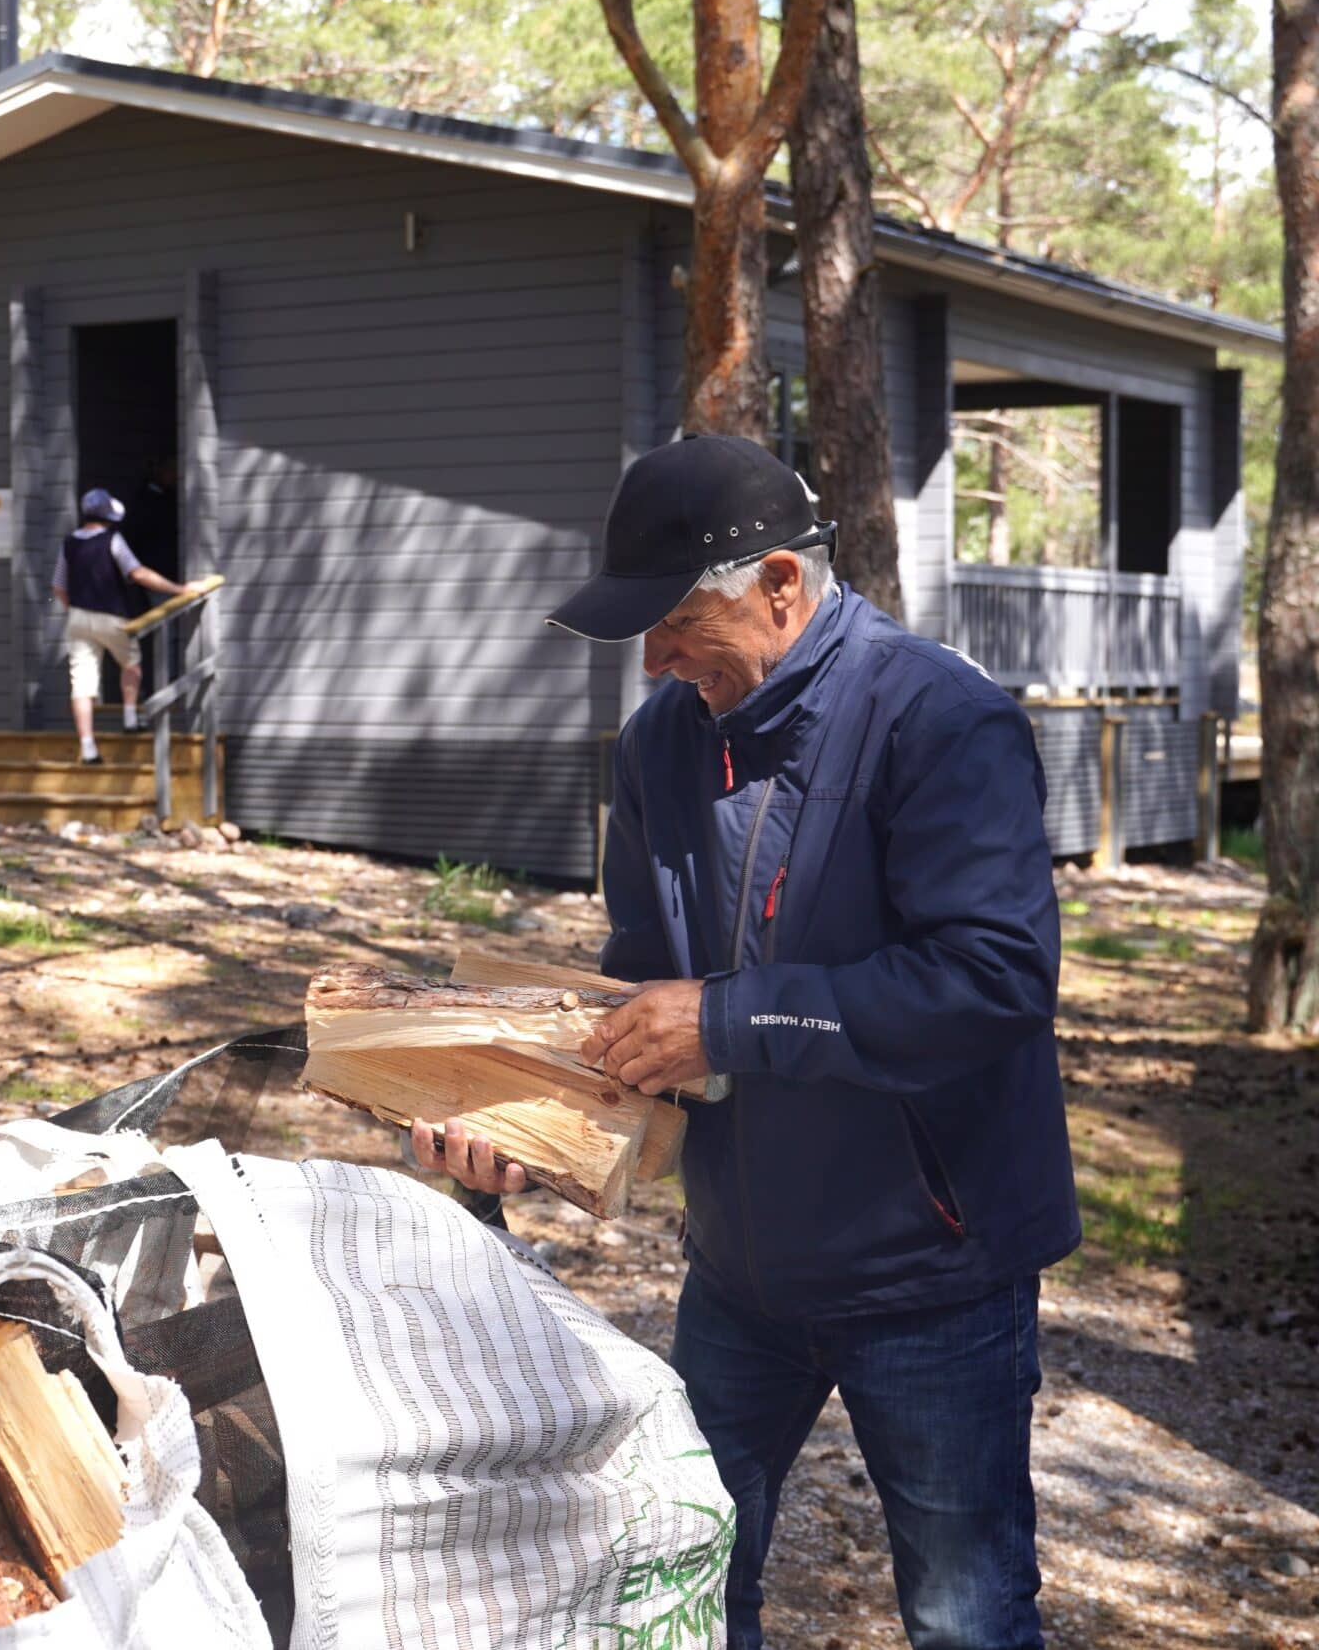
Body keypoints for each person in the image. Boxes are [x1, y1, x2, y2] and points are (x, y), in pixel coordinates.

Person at [417, 434, 1078, 1650]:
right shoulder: (659, 745)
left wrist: (729, 1020)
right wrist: (520, 1123)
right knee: (681, 1571)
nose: (656, 661)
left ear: (781, 582)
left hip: (932, 1269)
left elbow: (993, 980)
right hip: (740, 1266)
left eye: (672, 623)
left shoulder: (939, 719)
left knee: (962, 1609)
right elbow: (633, 992)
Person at [50, 487, 189, 763]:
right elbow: (137, 573)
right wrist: (178, 588)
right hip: (111, 615)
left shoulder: (69, 542)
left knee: (82, 685)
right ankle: (129, 717)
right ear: (108, 516)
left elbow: (58, 586)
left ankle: (88, 747)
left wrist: (74, 609)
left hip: (77, 618)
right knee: (131, 663)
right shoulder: (112, 540)